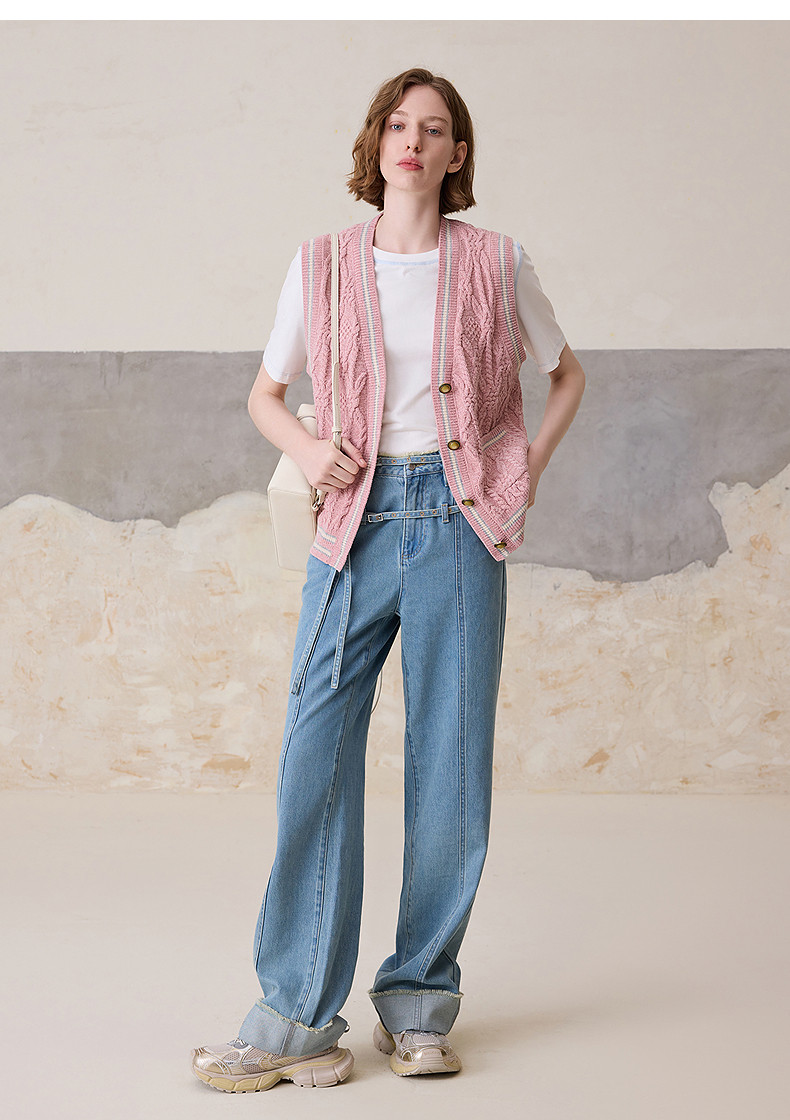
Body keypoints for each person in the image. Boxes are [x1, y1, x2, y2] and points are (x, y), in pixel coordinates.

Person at [191, 66, 585, 1093]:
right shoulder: (321, 263)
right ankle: (297, 1016)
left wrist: (520, 473)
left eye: (435, 128)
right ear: (377, 143)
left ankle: (418, 1004)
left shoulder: (496, 261)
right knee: (313, 755)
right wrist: (308, 448)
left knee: (448, 768)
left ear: (458, 154)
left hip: (460, 526)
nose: (414, 141)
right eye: (399, 125)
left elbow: (565, 374)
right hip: (352, 526)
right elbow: (266, 393)